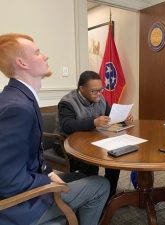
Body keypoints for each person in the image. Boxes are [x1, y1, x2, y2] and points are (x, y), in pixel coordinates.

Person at [0, 33, 110, 225]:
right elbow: (7, 181)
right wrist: (49, 183)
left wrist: (49, 172)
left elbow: (30, 155)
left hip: (30, 182)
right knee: (101, 184)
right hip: (20, 208)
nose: (45, 56)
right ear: (22, 63)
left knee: (83, 175)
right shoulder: (17, 108)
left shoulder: (18, 97)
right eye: (37, 53)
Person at [57, 70, 132, 198]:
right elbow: (67, 125)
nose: (98, 94)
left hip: (94, 139)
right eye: (94, 91)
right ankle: (91, 196)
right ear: (81, 89)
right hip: (68, 142)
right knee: (90, 163)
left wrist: (123, 117)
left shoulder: (100, 98)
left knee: (115, 155)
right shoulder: (67, 102)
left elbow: (109, 115)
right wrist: (93, 122)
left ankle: (110, 195)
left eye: (100, 90)